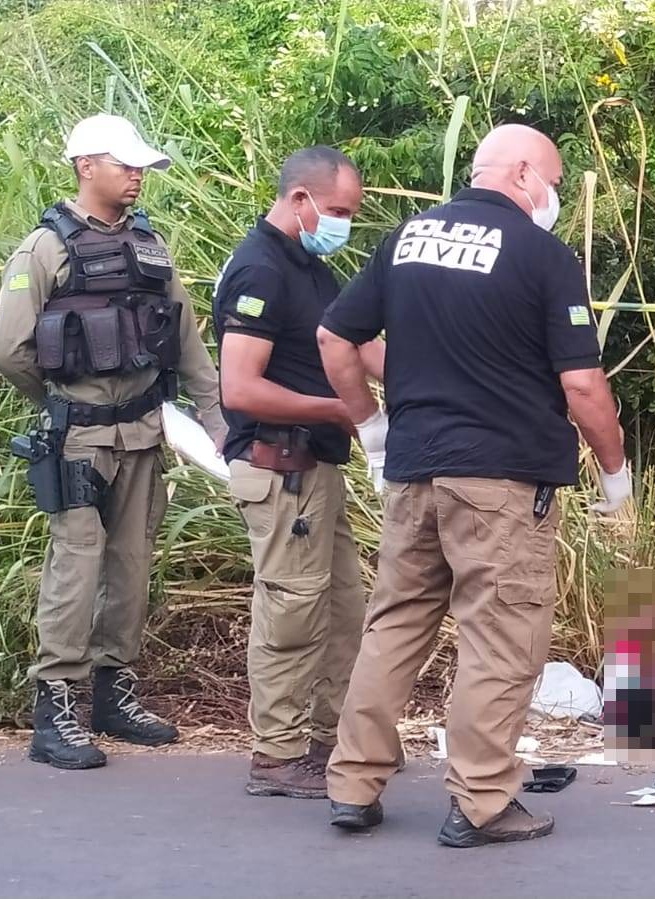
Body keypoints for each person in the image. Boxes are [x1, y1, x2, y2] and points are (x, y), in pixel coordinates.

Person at [316, 123, 630, 847]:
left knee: (395, 624)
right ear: (522, 173)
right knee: (501, 635)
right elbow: (582, 382)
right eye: (551, 180)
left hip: (416, 469)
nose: (554, 195)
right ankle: (483, 800)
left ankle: (353, 784)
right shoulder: (543, 256)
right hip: (502, 479)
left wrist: (370, 427)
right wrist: (615, 472)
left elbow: (337, 338)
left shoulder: (406, 239)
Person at [0, 114, 226, 770]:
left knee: (130, 564)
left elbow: (185, 340)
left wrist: (215, 419)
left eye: (141, 166)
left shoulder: (150, 245)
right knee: (76, 566)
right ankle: (54, 709)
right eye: (124, 165)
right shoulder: (45, 247)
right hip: (80, 439)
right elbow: (9, 351)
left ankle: (111, 693)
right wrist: (62, 404)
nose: (136, 176)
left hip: (145, 434)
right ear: (85, 165)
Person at [213, 146, 388, 799]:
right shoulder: (261, 269)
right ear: (299, 200)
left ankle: (326, 739)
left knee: (342, 609)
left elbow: (362, 346)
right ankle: (277, 755)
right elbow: (240, 388)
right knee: (291, 611)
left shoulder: (312, 268)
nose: (342, 221)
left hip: (316, 470)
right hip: (278, 465)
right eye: (337, 210)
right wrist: (342, 409)